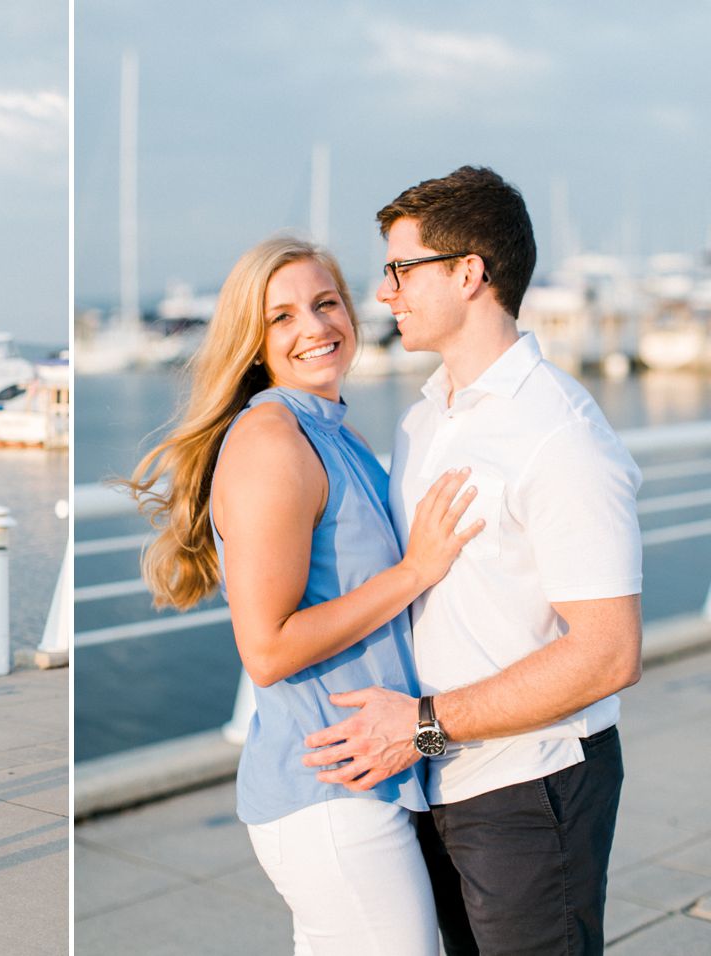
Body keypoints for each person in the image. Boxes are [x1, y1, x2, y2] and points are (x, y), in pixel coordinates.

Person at [302, 167, 643, 955]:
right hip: (437, 777)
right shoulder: (426, 419)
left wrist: (420, 726)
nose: (383, 293)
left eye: (400, 269)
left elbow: (609, 652)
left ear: (468, 272)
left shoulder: (561, 437)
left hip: (532, 786)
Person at [126, 236, 483, 953]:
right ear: (253, 342)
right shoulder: (272, 440)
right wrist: (414, 571)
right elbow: (265, 650)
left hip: (365, 780)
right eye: (282, 316)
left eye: (325, 304)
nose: (315, 328)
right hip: (329, 799)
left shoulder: (331, 430)